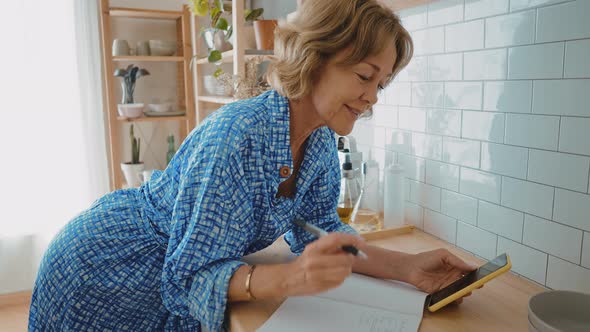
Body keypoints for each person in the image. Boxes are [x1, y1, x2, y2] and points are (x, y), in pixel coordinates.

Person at [29, 0, 476, 331]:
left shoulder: (319, 142)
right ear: (315, 58)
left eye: (382, 83)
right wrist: (289, 277)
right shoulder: (238, 137)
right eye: (364, 76)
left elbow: (320, 231)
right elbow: (190, 277)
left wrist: (407, 267)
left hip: (152, 279)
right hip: (103, 271)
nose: (373, 97)